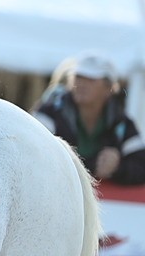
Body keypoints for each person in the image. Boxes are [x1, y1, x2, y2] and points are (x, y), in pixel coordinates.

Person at [33, 52, 145, 185]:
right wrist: (95, 166)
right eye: (78, 77)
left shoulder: (122, 123)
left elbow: (141, 166)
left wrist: (117, 168)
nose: (82, 84)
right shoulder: (49, 112)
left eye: (91, 79)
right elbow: (32, 153)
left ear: (108, 88)